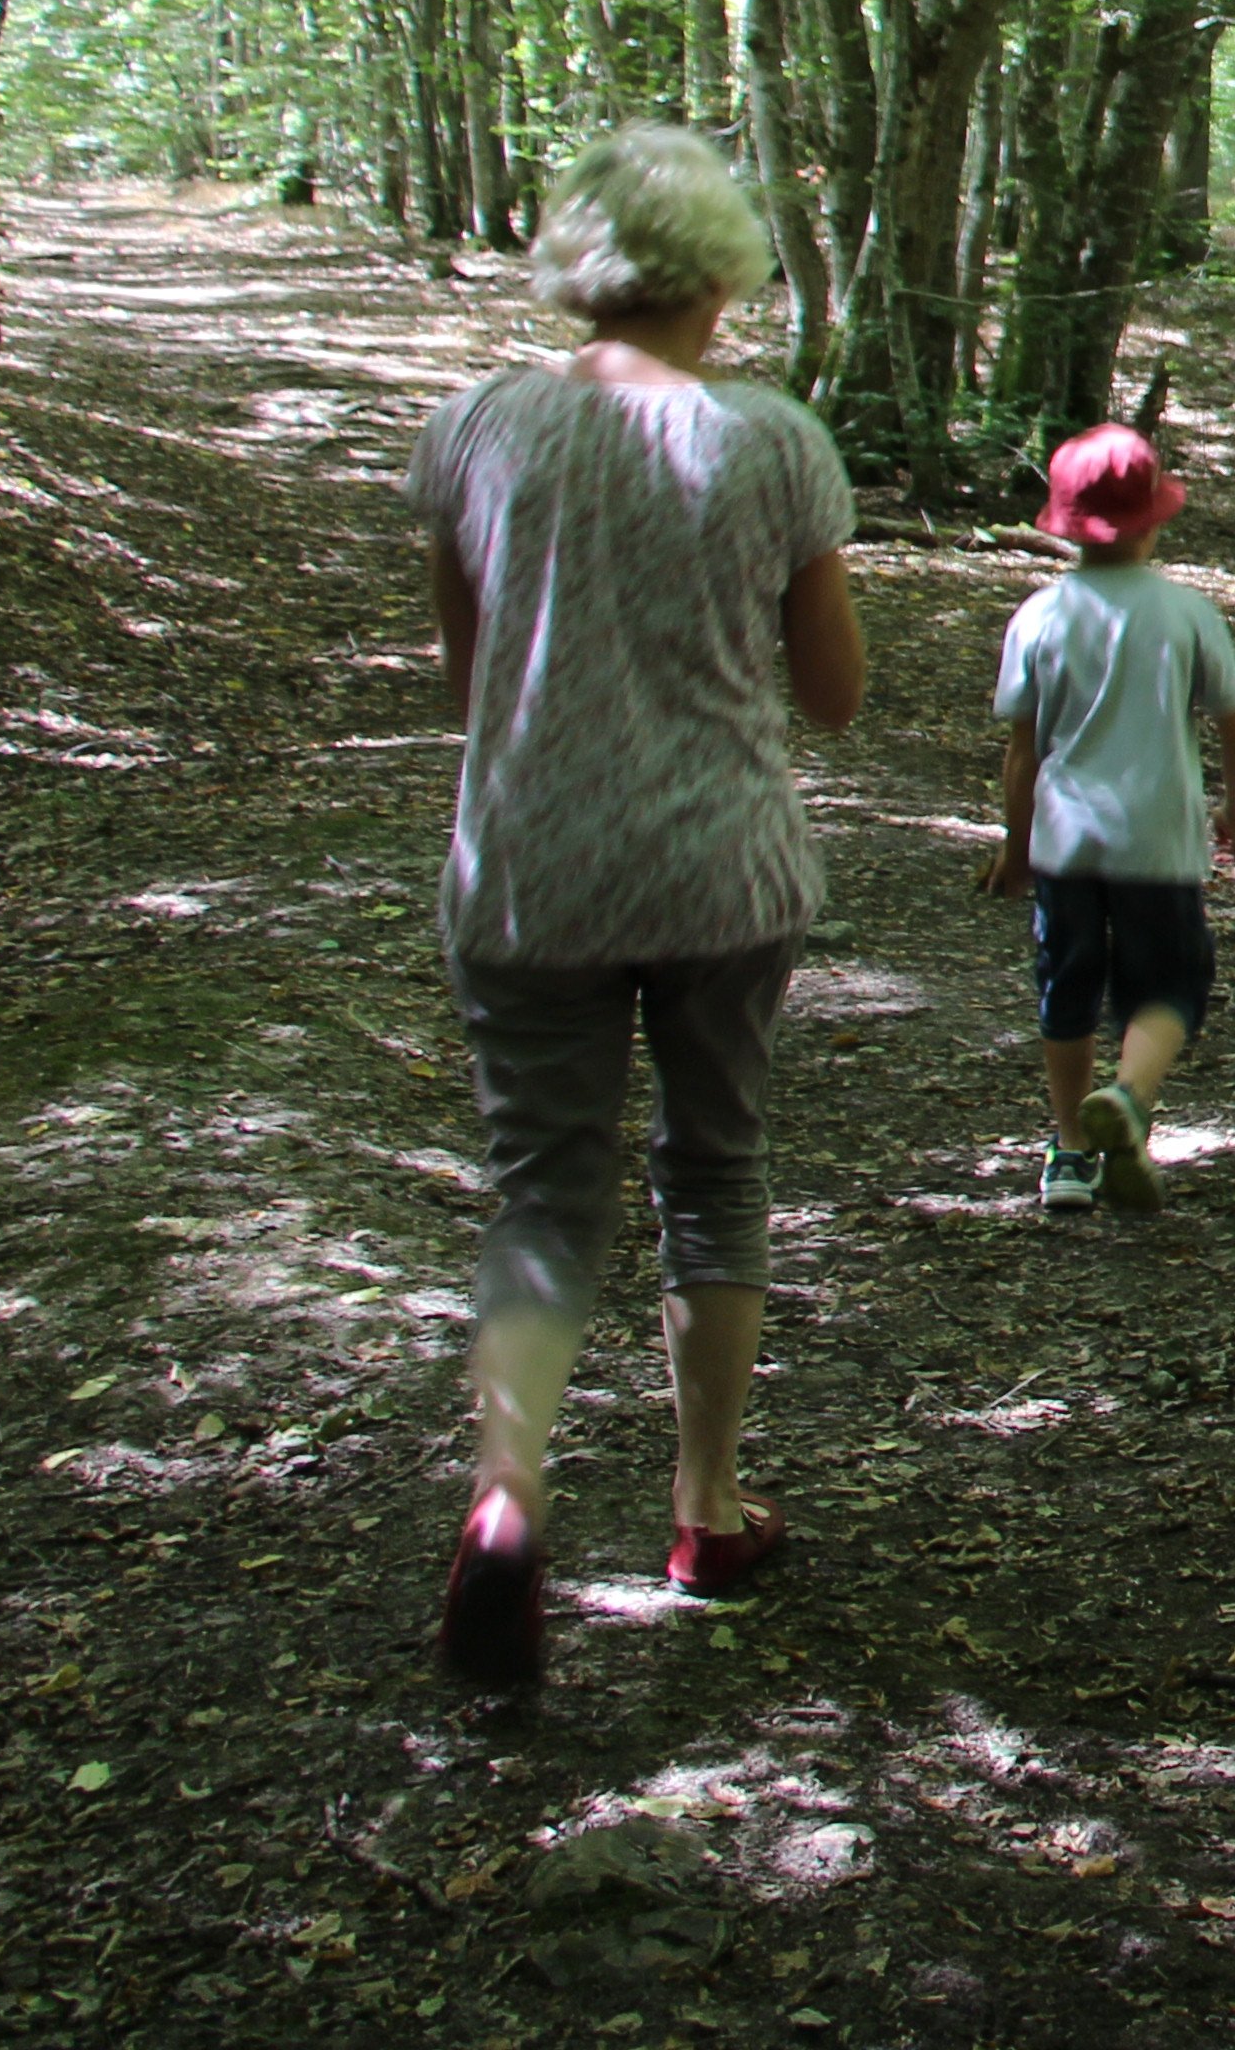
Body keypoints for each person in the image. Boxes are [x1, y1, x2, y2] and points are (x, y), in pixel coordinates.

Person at [405, 124, 865, 1692]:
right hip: (722, 871)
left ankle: (507, 1497)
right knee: (712, 1172)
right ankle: (706, 1511)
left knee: (543, 1191)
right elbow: (835, 696)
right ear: (722, 275)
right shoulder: (775, 441)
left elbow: (471, 683)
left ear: (577, 266)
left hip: (529, 868)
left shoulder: (479, 427)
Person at [984, 422, 1235, 1214]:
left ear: (1066, 524)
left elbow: (1023, 751)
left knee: (1066, 988)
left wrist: (1016, 845)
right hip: (1160, 839)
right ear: (1154, 520)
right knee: (1171, 986)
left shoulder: (1039, 615)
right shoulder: (1187, 613)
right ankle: (1131, 1097)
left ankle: (1070, 1152)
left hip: (1067, 840)